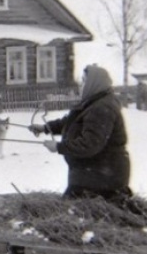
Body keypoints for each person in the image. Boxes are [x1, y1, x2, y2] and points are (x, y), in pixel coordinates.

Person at [29, 65, 133, 206]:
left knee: (71, 210)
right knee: (70, 207)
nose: (81, 85)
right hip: (95, 172)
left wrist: (59, 147)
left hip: (103, 176)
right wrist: (45, 128)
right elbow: (71, 122)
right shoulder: (93, 102)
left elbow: (90, 144)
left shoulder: (102, 108)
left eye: (84, 81)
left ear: (94, 83)